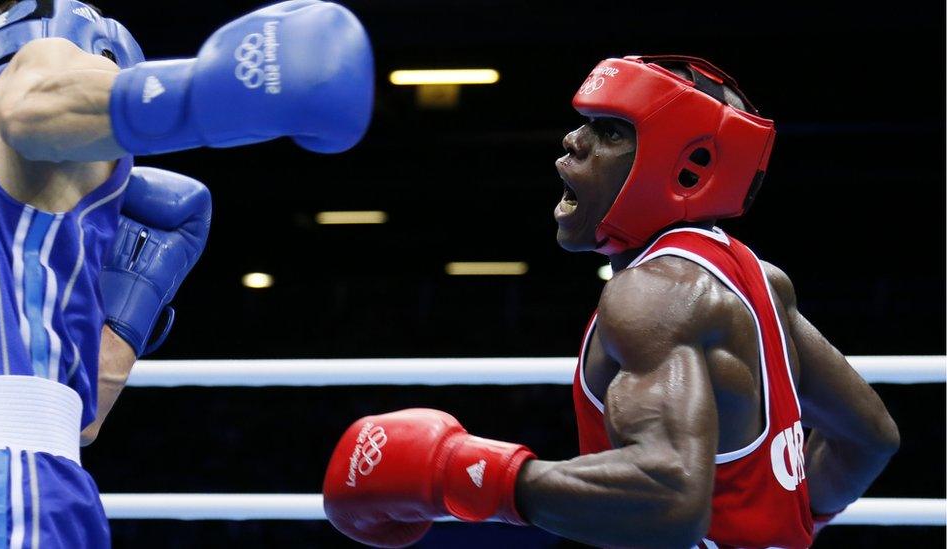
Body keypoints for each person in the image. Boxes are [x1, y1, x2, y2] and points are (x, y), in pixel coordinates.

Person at [322, 55, 900, 548]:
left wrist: (467, 477)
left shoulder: (652, 293)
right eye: (585, 124)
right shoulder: (760, 280)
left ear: (688, 167)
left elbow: (669, 495)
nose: (572, 142)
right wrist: (786, 526)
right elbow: (869, 438)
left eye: (611, 131)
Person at [0, 0, 373, 546]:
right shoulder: (44, 51)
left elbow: (77, 423)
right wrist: (210, 93)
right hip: (0, 486)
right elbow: (27, 103)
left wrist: (122, 316)